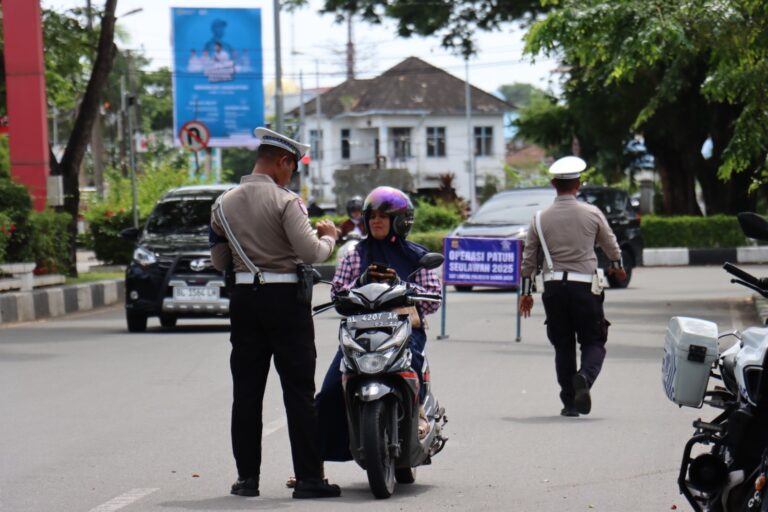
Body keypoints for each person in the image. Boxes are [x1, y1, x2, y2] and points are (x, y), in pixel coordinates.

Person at [209, 127, 342, 499]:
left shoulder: (222, 204)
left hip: (244, 302)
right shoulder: (287, 202)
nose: (290, 177)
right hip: (285, 302)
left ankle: (246, 480)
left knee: (246, 393)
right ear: (282, 161)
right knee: (299, 392)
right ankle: (309, 480)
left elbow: (219, 260)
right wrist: (329, 237)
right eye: (291, 169)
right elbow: (311, 252)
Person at [318, 186, 442, 461]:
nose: (376, 221)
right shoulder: (354, 255)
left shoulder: (416, 256)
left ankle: (419, 410)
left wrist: (401, 284)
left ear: (399, 221)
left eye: (383, 216)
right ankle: (314, 468)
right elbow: (337, 295)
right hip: (359, 332)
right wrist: (360, 281)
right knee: (328, 393)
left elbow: (434, 298)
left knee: (413, 361)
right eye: (372, 216)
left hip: (402, 330)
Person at [518, 156, 626, 417]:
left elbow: (529, 259)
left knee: (563, 345)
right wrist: (617, 265)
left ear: (553, 184)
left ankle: (569, 403)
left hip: (554, 288)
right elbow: (610, 244)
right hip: (585, 287)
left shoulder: (539, 219)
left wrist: (526, 292)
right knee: (594, 340)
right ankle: (585, 377)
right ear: (578, 185)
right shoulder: (592, 213)